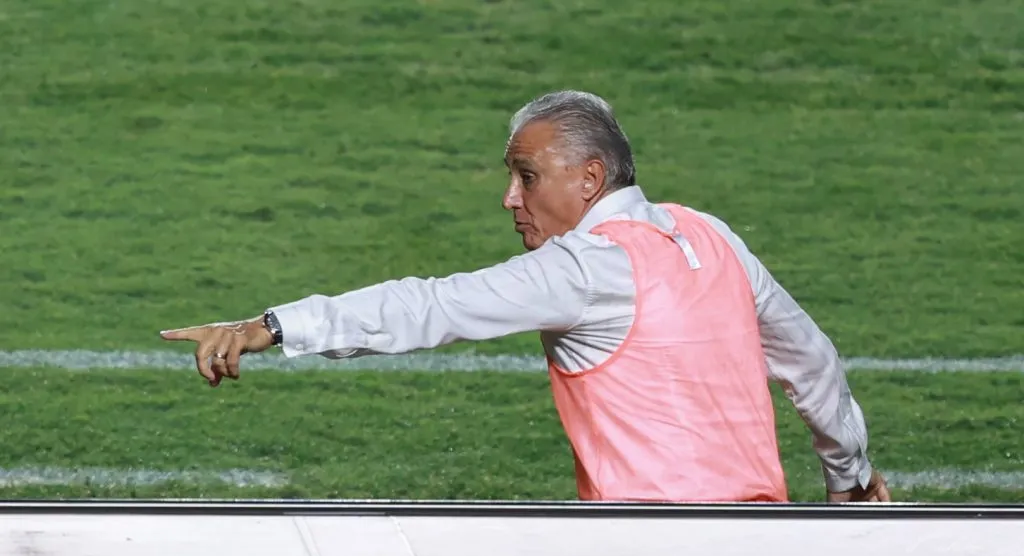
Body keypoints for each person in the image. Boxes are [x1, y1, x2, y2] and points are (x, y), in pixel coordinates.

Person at [160, 90, 890, 504]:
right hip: (768, 541)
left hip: (649, 555)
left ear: (589, 178)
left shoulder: (585, 269)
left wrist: (272, 326)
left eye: (526, 176)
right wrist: (850, 480)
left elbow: (432, 306)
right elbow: (814, 363)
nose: (511, 198)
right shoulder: (714, 237)